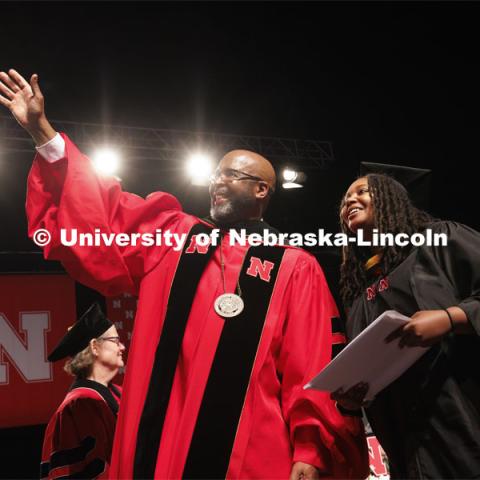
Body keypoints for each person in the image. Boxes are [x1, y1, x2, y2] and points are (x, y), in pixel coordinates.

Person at [0, 69, 368, 479]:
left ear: (263, 190)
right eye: (216, 174)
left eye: (232, 175)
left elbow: (311, 366)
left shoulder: (295, 266)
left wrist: (310, 450)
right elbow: (102, 216)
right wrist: (43, 134)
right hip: (158, 452)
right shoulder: (173, 235)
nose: (218, 182)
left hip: (249, 455)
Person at [334, 173, 480, 479]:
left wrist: (452, 318)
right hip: (405, 443)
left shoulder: (439, 241)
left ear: (392, 199)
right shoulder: (358, 292)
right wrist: (354, 397)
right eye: (346, 197)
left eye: (362, 191)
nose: (350, 200)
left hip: (463, 417)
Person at [41, 303, 124, 479]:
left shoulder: (120, 393)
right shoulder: (79, 405)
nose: (122, 347)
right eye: (116, 341)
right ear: (94, 347)